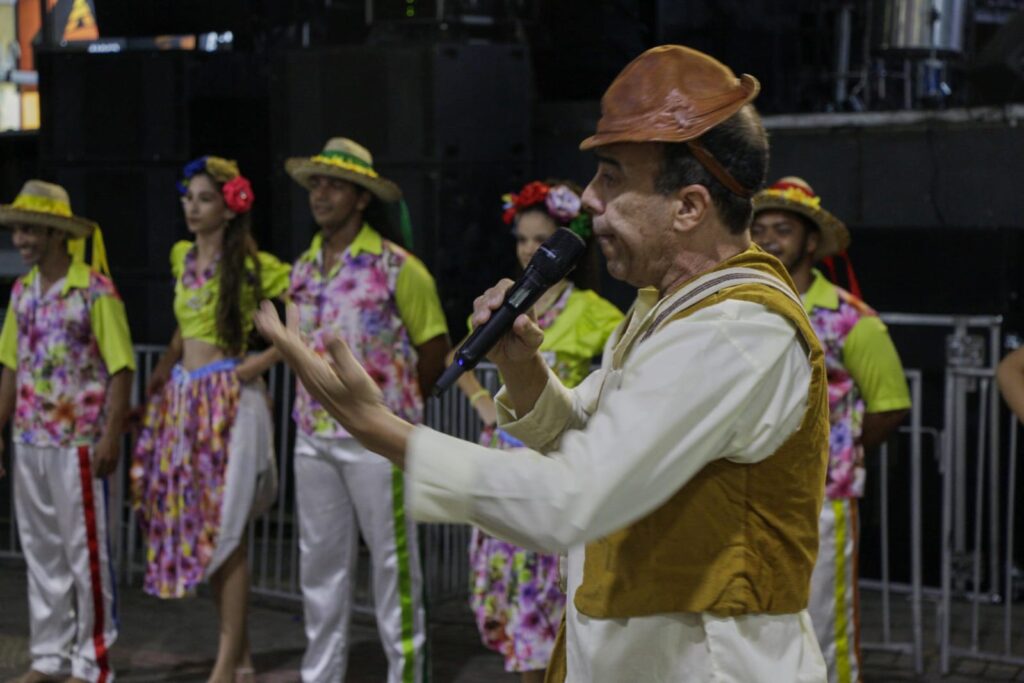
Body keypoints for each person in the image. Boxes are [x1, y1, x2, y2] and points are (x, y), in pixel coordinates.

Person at [255, 45, 831, 682]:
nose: (588, 198)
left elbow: (573, 495)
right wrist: (522, 368)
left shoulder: (732, 332)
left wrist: (382, 430)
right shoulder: (667, 308)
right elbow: (584, 432)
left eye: (611, 177)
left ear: (689, 206)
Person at [283, 137, 450, 683]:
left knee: (394, 569)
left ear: (360, 198)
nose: (320, 193)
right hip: (313, 437)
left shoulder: (399, 268)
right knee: (320, 568)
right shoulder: (303, 268)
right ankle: (320, 676)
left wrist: (398, 416)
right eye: (315, 183)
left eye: (333, 184)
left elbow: (433, 352)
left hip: (379, 443)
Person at [130, 156, 290, 683]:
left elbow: (309, 313)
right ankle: (240, 657)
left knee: (226, 531)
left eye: (202, 198)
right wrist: (165, 366)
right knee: (207, 529)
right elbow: (186, 326)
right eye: (187, 197)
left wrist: (261, 361)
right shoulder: (182, 255)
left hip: (229, 401)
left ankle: (225, 665)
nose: (190, 207)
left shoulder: (252, 267)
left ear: (229, 206)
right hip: (184, 403)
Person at [457, 179, 623, 681]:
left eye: (541, 240)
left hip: (555, 464)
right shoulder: (510, 303)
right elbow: (458, 358)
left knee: (547, 600)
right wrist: (484, 402)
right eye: (524, 240)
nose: (530, 249)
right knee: (512, 594)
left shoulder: (598, 313)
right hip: (505, 461)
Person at [751, 176, 912, 683]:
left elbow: (889, 406)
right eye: (759, 228)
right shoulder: (741, 307)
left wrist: (836, 453)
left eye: (783, 229)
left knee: (821, 624)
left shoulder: (852, 320)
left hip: (823, 500)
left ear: (811, 243)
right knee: (752, 625)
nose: (768, 239)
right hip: (745, 493)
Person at [0, 180, 134, 683]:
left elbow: (121, 368)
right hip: (30, 439)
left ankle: (92, 661)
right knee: (41, 552)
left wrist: (110, 435)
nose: (22, 239)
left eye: (31, 229)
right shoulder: (22, 292)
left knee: (87, 555)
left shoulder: (96, 291)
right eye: (18, 230)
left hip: (79, 442)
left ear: (58, 235)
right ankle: (48, 656)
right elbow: (10, 365)